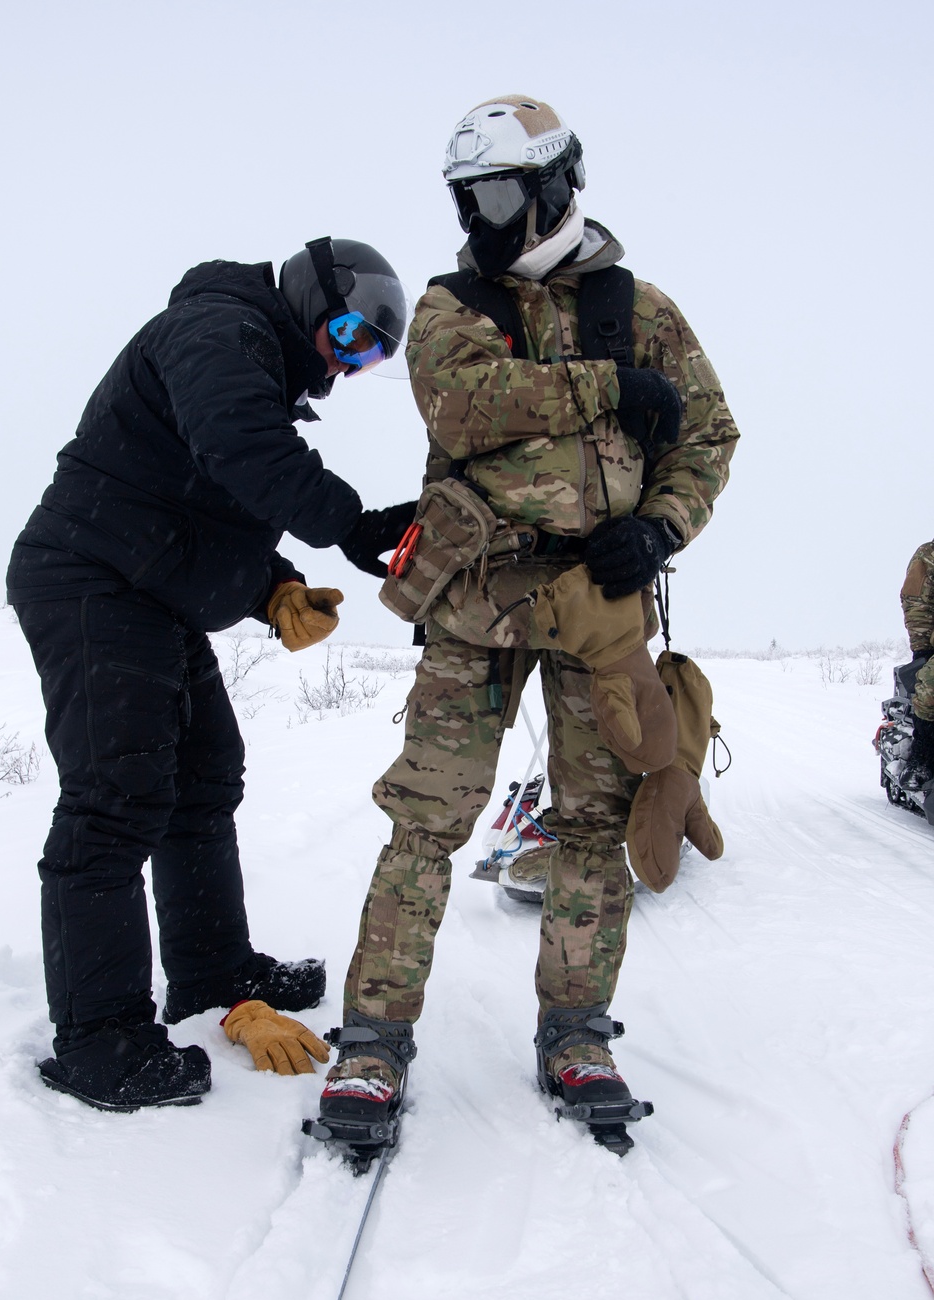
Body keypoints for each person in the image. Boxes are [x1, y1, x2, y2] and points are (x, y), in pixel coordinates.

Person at [313, 97, 739, 1147]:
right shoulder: (452, 304)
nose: (480, 216)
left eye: (498, 193)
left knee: (593, 824)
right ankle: (372, 1042)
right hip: (473, 604)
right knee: (426, 820)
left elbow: (709, 434)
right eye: (467, 197)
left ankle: (576, 1034)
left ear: (553, 185)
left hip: (598, 607)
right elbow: (465, 405)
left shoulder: (644, 310)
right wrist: (610, 390)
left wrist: (661, 528)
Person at [7, 238, 416, 1112]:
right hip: (92, 580)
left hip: (146, 589)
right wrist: (349, 523)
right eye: (346, 336)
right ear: (309, 296)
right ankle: (99, 1040)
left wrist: (273, 587)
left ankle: (210, 971)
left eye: (369, 355)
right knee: (115, 801)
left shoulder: (248, 358)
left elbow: (204, 504)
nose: (345, 368)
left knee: (202, 778)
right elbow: (239, 445)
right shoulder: (216, 327)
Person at [900, 539, 934, 786]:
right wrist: (922, 651)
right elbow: (917, 603)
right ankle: (922, 759)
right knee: (931, 684)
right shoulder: (929, 554)